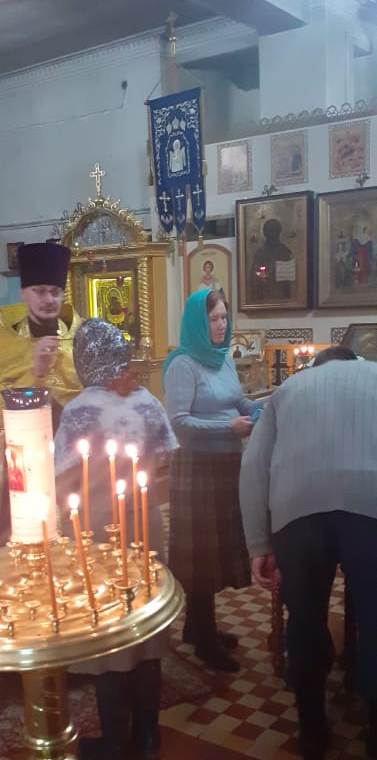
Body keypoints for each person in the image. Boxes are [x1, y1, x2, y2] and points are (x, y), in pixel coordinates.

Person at [239, 347, 377, 760]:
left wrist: (259, 544)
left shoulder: (288, 389)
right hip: (369, 503)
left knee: (304, 617)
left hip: (296, 508)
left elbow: (253, 466)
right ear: (355, 363)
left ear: (316, 366)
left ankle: (312, 729)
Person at [54, 318, 178, 760]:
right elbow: (163, 463)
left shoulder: (79, 411)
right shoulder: (147, 401)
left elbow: (61, 478)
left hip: (97, 531)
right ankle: (148, 735)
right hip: (145, 526)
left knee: (107, 634)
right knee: (145, 630)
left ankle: (114, 743)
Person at [163, 289, 259, 674]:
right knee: (201, 554)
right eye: (213, 319)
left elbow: (236, 401)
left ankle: (196, 625)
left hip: (226, 464)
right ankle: (203, 638)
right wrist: (228, 427)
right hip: (196, 467)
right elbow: (179, 423)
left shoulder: (223, 357)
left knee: (217, 550)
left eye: (223, 318)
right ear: (197, 323)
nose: (220, 325)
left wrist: (259, 408)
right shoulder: (183, 363)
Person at [0, 241, 82, 535]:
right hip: (20, 456)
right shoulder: (5, 341)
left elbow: (88, 398)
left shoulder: (78, 337)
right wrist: (36, 374)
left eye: (55, 292)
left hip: (69, 454)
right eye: (39, 291)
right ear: (23, 292)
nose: (48, 299)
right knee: (26, 532)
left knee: (75, 532)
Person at [251, 218, 295, 302]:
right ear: (265, 233)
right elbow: (255, 275)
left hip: (282, 295)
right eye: (270, 231)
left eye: (274, 230)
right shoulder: (260, 253)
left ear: (278, 232)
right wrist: (263, 275)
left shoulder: (285, 252)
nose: (272, 234)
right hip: (264, 294)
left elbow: (290, 279)